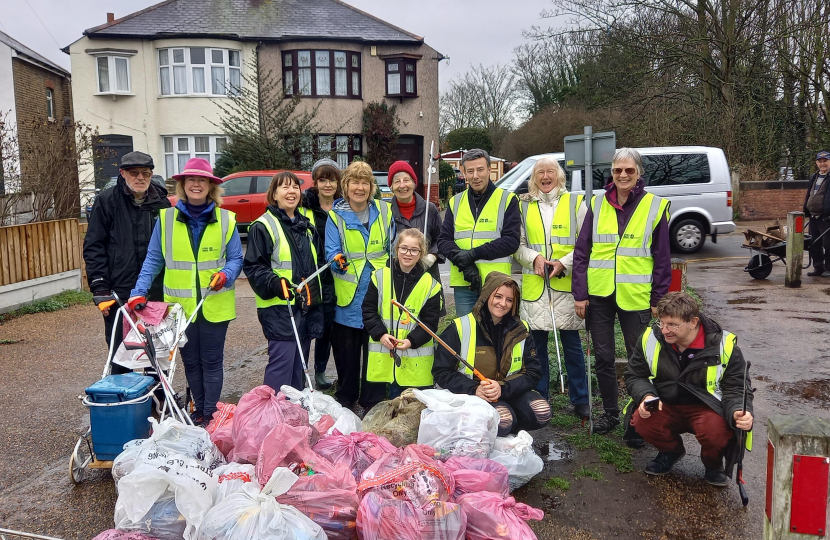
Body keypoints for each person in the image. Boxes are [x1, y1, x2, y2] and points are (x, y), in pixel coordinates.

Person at [129, 158, 242, 426]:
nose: (196, 184)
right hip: (180, 307)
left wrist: (226, 275)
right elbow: (153, 260)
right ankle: (200, 411)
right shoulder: (166, 219)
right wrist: (139, 291)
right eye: (190, 179)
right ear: (182, 185)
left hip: (215, 304)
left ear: (211, 186)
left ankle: (211, 415)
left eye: (202, 180)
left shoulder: (227, 220)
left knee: (212, 361)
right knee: (191, 362)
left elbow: (236, 259)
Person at [572, 147, 671, 434]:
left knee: (638, 360)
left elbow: (662, 258)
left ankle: (636, 418)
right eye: (618, 170)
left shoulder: (654, 205)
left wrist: (658, 299)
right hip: (599, 295)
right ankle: (611, 414)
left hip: (636, 297)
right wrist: (580, 293)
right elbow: (582, 251)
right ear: (611, 173)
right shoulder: (599, 203)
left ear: (639, 172)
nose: (623, 175)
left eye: (629, 170)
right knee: (602, 358)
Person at [623, 292, 754, 486]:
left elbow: (736, 387)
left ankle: (713, 464)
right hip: (665, 403)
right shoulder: (650, 337)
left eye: (673, 325)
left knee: (715, 431)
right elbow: (635, 375)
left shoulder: (724, 345)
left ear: (693, 322)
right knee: (642, 420)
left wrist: (738, 411)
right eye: (662, 323)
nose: (665, 330)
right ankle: (670, 451)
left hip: (706, 407)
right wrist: (646, 396)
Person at [513, 157, 589, 415]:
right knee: (537, 350)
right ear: (533, 178)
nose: (545, 177)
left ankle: (581, 400)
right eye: (540, 173)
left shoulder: (576, 203)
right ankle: (540, 397)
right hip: (536, 288)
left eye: (550, 172)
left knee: (572, 347)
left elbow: (585, 243)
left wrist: (563, 263)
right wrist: (534, 258)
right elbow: (517, 245)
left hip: (566, 286)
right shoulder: (523, 206)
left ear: (560, 176)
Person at [432, 272, 551, 436]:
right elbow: (441, 372)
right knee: (503, 420)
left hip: (509, 391)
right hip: (473, 395)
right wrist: (475, 389)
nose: (503, 304)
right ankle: (495, 432)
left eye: (509, 300)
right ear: (487, 296)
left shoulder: (521, 329)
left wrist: (502, 388)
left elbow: (533, 372)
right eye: (498, 297)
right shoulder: (460, 327)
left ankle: (508, 433)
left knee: (541, 412)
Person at [83, 151, 171, 373]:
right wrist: (100, 288)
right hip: (118, 289)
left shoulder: (162, 203)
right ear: (123, 173)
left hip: (155, 289)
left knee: (157, 348)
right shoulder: (107, 201)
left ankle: (157, 398)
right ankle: (123, 402)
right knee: (121, 351)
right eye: (134, 173)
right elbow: (94, 246)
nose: (140, 178)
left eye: (146, 173)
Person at [244, 171, 330, 392]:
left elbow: (317, 262)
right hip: (279, 308)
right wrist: (274, 282)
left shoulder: (305, 225)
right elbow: (254, 266)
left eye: (295, 187)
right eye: (284, 187)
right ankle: (270, 415)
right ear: (274, 195)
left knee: (298, 365)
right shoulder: (263, 226)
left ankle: (292, 416)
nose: (291, 191)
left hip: (305, 305)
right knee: (282, 364)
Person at [326, 160, 393, 413]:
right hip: (349, 296)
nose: (360, 187)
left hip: (378, 291)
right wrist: (337, 261)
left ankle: (372, 400)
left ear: (371, 186)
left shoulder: (384, 212)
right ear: (346, 185)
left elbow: (392, 248)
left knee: (375, 347)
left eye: (365, 182)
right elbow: (331, 252)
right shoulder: (336, 216)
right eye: (355, 182)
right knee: (348, 352)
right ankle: (346, 397)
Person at [362, 228, 442, 408]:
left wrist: (411, 341)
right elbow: (368, 310)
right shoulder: (380, 276)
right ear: (396, 249)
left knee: (410, 412)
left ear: (421, 253)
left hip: (414, 364)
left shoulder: (430, 284)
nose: (408, 253)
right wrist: (380, 334)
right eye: (404, 248)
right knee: (381, 410)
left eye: (414, 250)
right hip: (383, 360)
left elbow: (430, 323)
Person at [438, 149, 521, 317]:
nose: (475, 176)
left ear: (489, 169)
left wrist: (472, 255)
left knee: (496, 338)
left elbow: (511, 241)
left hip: (498, 284)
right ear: (464, 172)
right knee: (467, 336)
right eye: (470, 171)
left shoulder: (507, 199)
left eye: (480, 169)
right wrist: (465, 265)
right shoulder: (455, 202)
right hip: (464, 283)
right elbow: (443, 241)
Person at [299, 158, 341, 389]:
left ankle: (321, 371)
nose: (327, 185)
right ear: (315, 182)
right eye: (323, 179)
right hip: (312, 275)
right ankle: (302, 371)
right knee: (309, 325)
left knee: (329, 327)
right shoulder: (305, 208)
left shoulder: (343, 206)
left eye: (332, 180)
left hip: (338, 274)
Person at [387, 160, 444, 284]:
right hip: (397, 276)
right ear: (391, 187)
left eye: (406, 180)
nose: (402, 185)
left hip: (427, 274)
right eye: (397, 181)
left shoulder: (430, 209)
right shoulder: (386, 212)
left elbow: (441, 238)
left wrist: (432, 256)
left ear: (414, 183)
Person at [804, 150, 830, 277]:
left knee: (828, 243)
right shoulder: (814, 177)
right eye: (820, 161)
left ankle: (829, 268)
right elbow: (809, 194)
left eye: (825, 161)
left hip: (826, 217)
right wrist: (806, 209)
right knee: (814, 243)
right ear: (816, 163)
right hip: (813, 216)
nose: (823, 164)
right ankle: (818, 267)